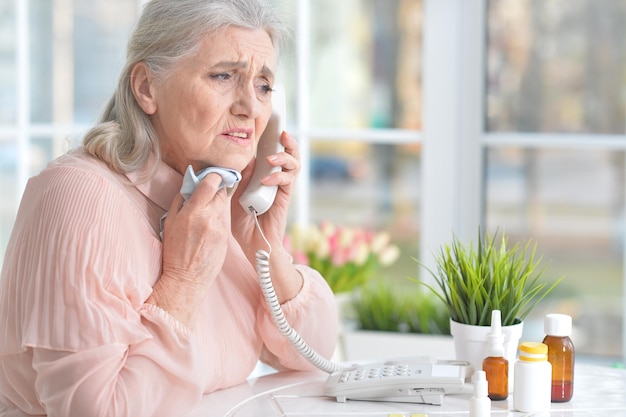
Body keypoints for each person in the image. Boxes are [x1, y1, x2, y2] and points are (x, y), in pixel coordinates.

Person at [0, 0, 339, 416]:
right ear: (146, 88)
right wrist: (183, 280)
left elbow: (314, 354)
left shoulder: (216, 201)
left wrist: (263, 246)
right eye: (223, 76)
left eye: (264, 86)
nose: (251, 108)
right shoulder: (79, 195)